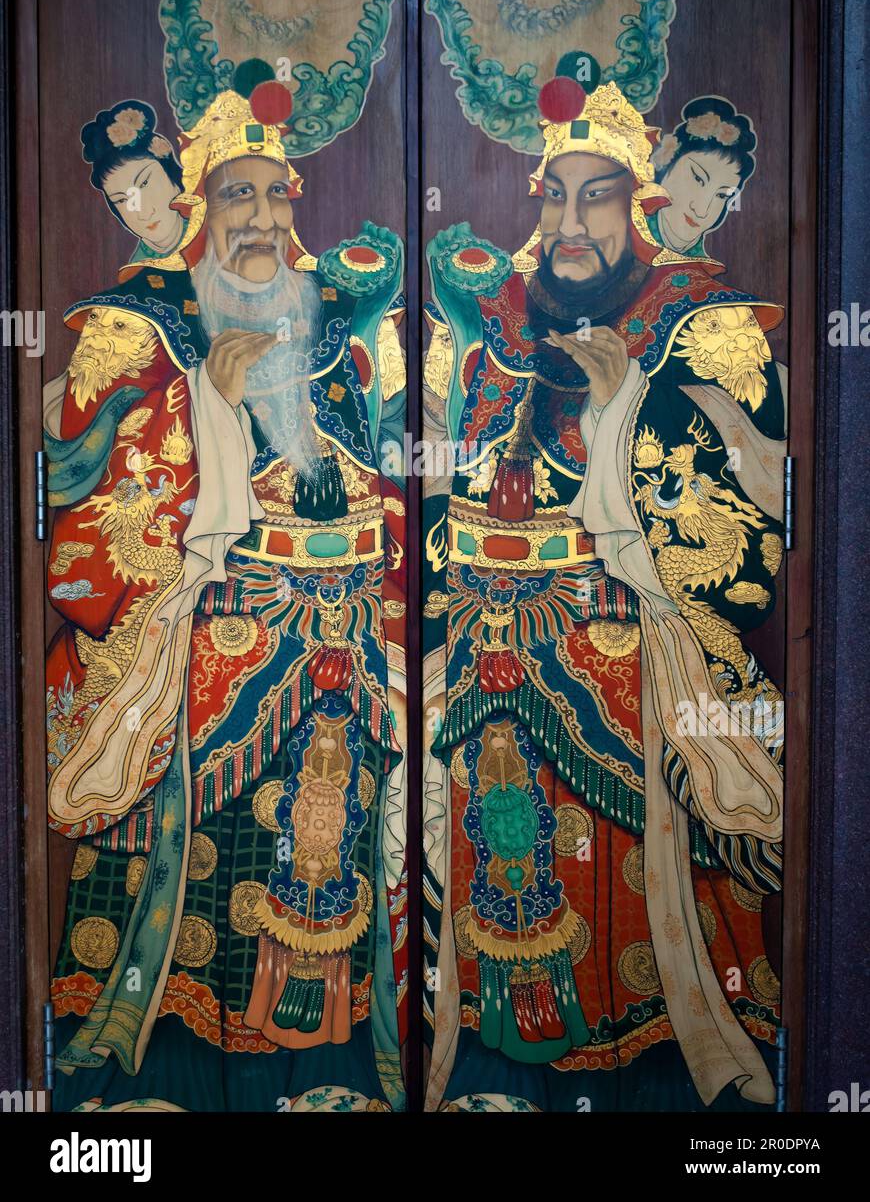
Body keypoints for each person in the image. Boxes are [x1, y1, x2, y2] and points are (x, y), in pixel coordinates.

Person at [422, 60, 786, 1112]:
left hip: (631, 635)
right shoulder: (497, 318)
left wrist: (622, 412)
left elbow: (739, 532)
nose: (573, 222)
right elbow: (451, 475)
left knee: (636, 861)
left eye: (600, 196)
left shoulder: (695, 323)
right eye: (557, 195)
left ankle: (652, 1075)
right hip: (487, 629)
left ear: (645, 206)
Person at [45, 86, 407, 1112]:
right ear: (202, 205)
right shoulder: (148, 319)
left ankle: (332, 1063)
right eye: (234, 195)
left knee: (340, 832)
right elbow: (91, 488)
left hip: (341, 621)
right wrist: (212, 406)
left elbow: (379, 464)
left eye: (272, 194)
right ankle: (185, 1058)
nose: (258, 216)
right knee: (215, 835)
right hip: (213, 617)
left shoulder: (336, 316)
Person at [81, 101, 187, 267]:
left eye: (144, 183)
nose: (143, 213)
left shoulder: (218, 227)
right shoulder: (137, 272)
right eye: (121, 200)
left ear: (171, 174)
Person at [650, 96, 757, 258]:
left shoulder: (706, 273)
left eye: (722, 195)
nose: (701, 211)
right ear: (668, 159)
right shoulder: (619, 235)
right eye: (698, 178)